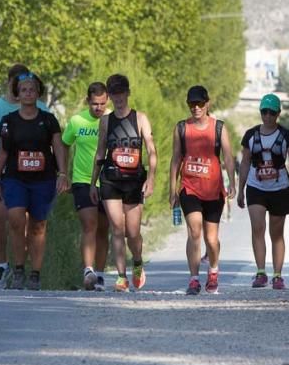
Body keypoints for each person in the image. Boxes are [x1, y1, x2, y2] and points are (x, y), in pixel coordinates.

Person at [0, 64, 49, 290]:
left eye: (27, 87)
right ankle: (2, 266)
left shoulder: (41, 108)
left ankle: (23, 269)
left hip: (30, 173)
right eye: (18, 86)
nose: (22, 91)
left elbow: (53, 139)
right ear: (10, 84)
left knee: (24, 224)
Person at [0, 72, 69, 290]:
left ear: (38, 93)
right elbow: (2, 153)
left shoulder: (48, 120)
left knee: (38, 225)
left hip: (43, 180)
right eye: (24, 90)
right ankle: (18, 269)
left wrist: (63, 174)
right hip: (15, 179)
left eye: (32, 90)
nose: (28, 93)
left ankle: (35, 273)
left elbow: (58, 148)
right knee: (16, 220)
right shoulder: (8, 121)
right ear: (17, 94)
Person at [90, 74, 157, 293]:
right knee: (116, 229)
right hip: (110, 180)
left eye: (121, 93)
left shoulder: (140, 118)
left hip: (134, 181)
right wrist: (93, 183)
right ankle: (121, 277)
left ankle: (137, 261)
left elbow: (151, 149)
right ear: (110, 96)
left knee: (132, 232)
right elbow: (100, 152)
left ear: (127, 93)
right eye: (114, 94)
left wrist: (151, 177)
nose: (118, 98)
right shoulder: (106, 121)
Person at [169, 85, 236, 295]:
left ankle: (213, 271)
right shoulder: (181, 128)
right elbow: (176, 158)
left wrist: (232, 182)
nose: (195, 107)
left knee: (211, 239)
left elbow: (227, 156)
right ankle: (194, 279)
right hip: (189, 187)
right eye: (191, 104)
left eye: (199, 103)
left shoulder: (219, 128)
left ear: (207, 104)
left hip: (214, 190)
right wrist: (172, 188)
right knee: (194, 231)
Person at [236, 93, 289, 290]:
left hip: (279, 188)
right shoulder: (250, 135)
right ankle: (260, 272)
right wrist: (240, 190)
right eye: (264, 112)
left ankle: (277, 275)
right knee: (258, 228)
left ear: (278, 114)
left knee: (277, 233)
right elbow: (245, 163)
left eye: (271, 113)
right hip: (256, 188)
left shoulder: (286, 136)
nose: (267, 116)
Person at [62, 82, 111, 291]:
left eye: (101, 103)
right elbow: (64, 144)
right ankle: (88, 270)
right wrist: (63, 173)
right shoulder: (76, 121)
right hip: (82, 180)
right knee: (89, 225)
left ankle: (99, 274)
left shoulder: (113, 120)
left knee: (104, 229)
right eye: (94, 104)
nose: (98, 108)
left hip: (108, 181)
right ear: (87, 101)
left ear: (107, 100)